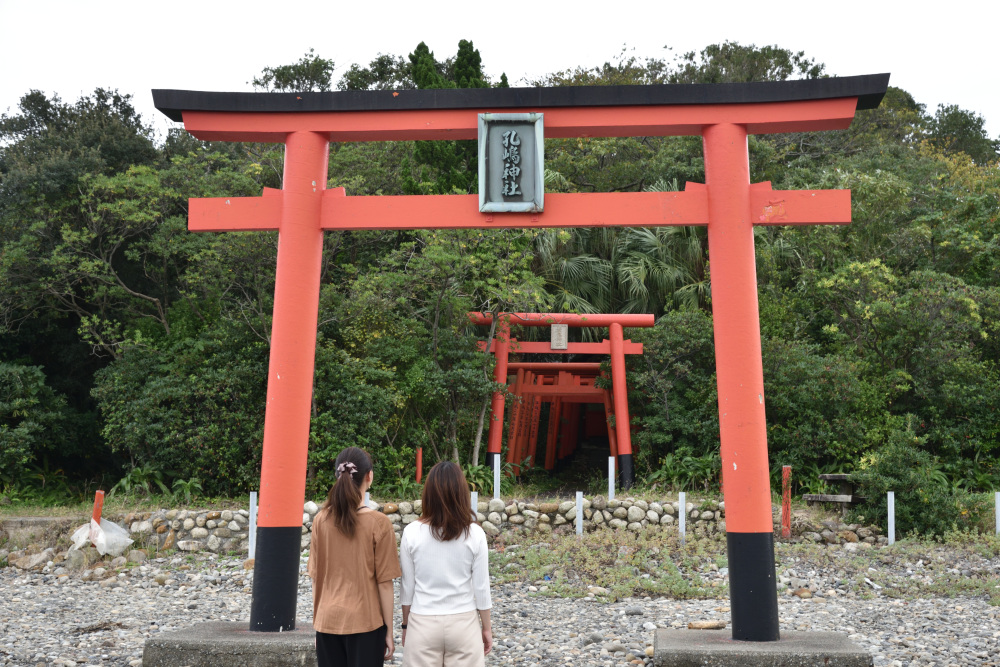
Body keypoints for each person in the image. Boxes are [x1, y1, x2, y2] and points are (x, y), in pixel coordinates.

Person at [309, 447, 401, 666]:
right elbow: (385, 584)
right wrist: (389, 630)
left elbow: (315, 579)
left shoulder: (320, 521)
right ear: (369, 476)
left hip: (327, 621)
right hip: (366, 623)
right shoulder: (379, 523)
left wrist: (317, 623)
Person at [400, 461, 492, 667]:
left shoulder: (411, 532)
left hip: (422, 623)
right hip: (464, 624)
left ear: (428, 493)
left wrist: (405, 626)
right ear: (461, 492)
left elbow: (407, 587)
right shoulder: (475, 533)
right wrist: (486, 627)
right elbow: (481, 587)